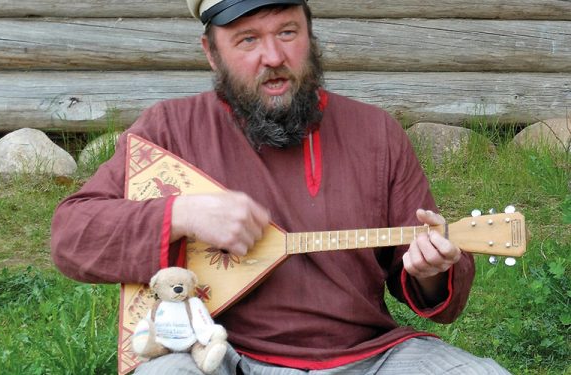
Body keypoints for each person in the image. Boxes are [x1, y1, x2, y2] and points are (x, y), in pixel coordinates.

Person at [51, 0, 510, 373]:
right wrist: (182, 215)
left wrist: (431, 270)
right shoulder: (171, 128)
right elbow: (72, 235)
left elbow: (431, 291)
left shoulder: (377, 133)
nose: (272, 57)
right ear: (211, 53)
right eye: (247, 40)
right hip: (219, 352)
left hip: (368, 356)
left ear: (310, 37)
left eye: (287, 33)